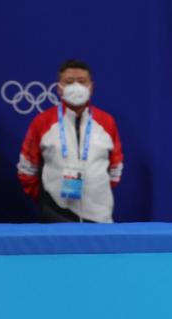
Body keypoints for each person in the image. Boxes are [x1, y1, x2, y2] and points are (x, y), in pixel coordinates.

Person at [17, 59, 123, 223]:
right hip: (56, 214)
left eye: (81, 81)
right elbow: (27, 169)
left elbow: (115, 167)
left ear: (91, 86)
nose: (76, 86)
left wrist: (96, 190)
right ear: (59, 88)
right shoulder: (42, 121)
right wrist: (48, 200)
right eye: (69, 82)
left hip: (99, 214)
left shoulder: (107, 122)